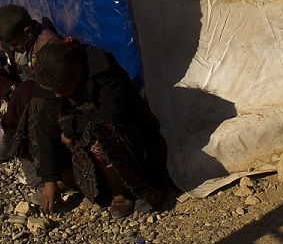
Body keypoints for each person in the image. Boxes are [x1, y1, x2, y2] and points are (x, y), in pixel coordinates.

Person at [19, 39, 170, 219]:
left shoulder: (104, 74)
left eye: (62, 89)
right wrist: (49, 179)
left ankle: (122, 189)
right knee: (38, 106)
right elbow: (47, 126)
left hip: (130, 138)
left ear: (78, 73)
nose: (58, 94)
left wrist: (70, 128)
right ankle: (68, 176)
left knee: (101, 132)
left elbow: (112, 115)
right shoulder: (59, 86)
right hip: (80, 124)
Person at [0, 4, 61, 161]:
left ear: (27, 32)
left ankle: (8, 136)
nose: (12, 48)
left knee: (26, 89)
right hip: (17, 86)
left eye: (14, 44)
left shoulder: (46, 45)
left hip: (37, 94)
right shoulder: (15, 40)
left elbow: (47, 86)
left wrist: (14, 90)